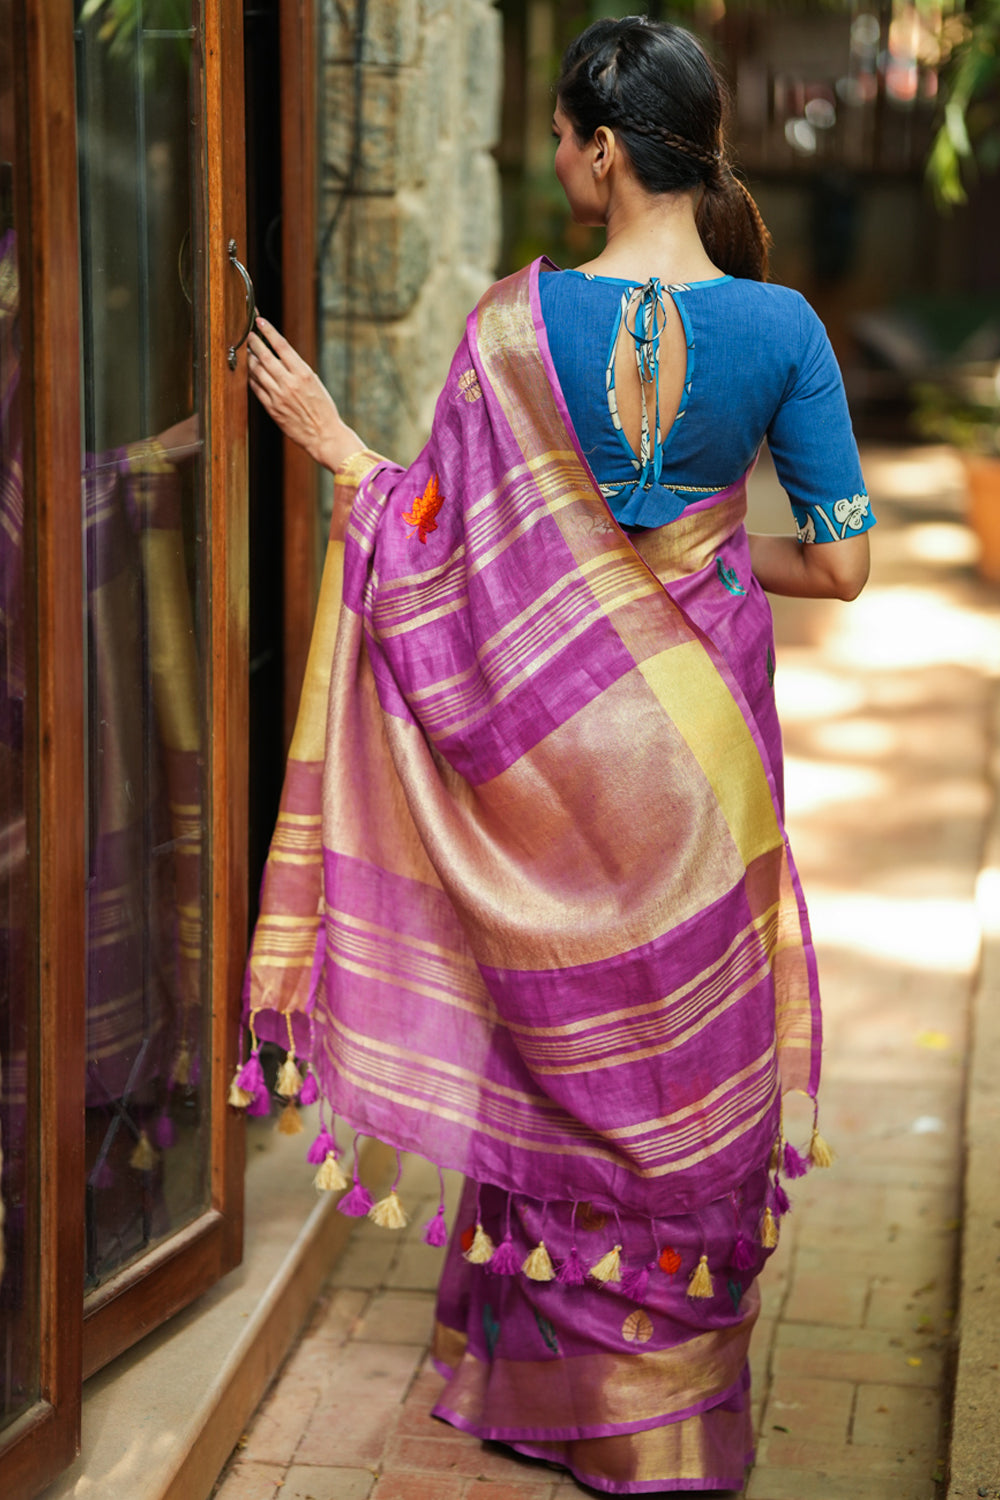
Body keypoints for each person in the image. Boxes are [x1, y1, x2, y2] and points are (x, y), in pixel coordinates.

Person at [242, 16, 873, 1496]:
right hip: (698, 745)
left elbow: (444, 558)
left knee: (555, 1034)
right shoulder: (784, 332)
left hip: (548, 740)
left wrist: (342, 448)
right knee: (682, 1048)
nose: (557, 161)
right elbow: (842, 571)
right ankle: (667, 1421)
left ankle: (553, 1388)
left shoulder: (511, 325)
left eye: (559, 139)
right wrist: (702, 559)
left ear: (600, 146)